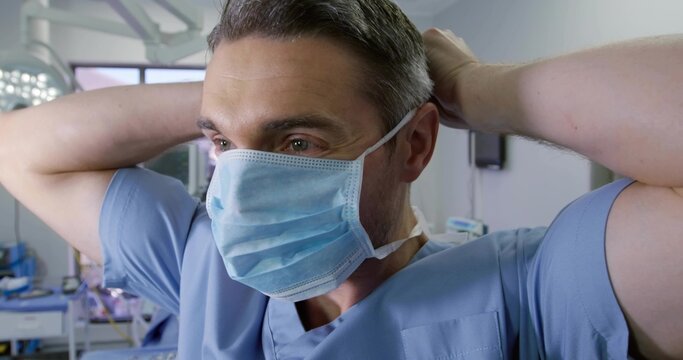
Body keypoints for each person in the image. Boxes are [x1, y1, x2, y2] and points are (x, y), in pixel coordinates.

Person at [0, 0, 680, 358]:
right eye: (221, 143)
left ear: (413, 145)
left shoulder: (533, 296)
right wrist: (233, 101)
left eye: (296, 140)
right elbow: (21, 149)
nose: (238, 180)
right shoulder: (204, 267)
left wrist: (478, 88)